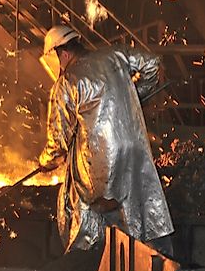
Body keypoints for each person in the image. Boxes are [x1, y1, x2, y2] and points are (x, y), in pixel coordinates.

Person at [37, 25, 174, 256]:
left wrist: (46, 162)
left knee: (84, 204)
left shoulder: (67, 82)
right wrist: (135, 95)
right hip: (135, 151)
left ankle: (88, 255)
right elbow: (152, 62)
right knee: (136, 204)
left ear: (63, 54)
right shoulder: (114, 54)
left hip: (99, 162)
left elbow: (58, 139)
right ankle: (149, 257)